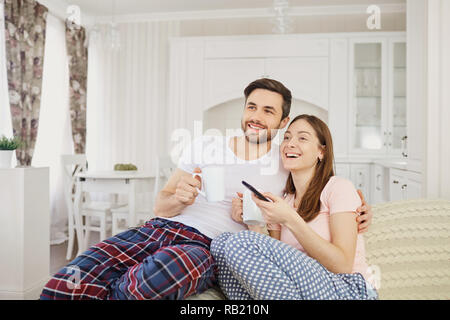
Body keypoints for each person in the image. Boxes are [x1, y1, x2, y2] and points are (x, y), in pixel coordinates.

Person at [40, 79, 373, 300]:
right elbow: (160, 206)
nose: (256, 117)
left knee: (148, 282)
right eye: (252, 107)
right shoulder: (206, 144)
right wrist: (178, 196)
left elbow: (322, 185)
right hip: (156, 229)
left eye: (268, 111)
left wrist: (363, 209)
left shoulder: (285, 160)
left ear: (283, 122)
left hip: (206, 247)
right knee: (65, 283)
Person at [211, 114, 378, 300]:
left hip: (348, 289)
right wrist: (251, 222)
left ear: (321, 151)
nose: (290, 143)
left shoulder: (338, 187)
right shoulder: (284, 201)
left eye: (303, 138)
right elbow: (275, 270)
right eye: (287, 137)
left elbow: (343, 266)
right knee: (221, 244)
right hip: (301, 292)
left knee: (238, 242)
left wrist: (289, 218)